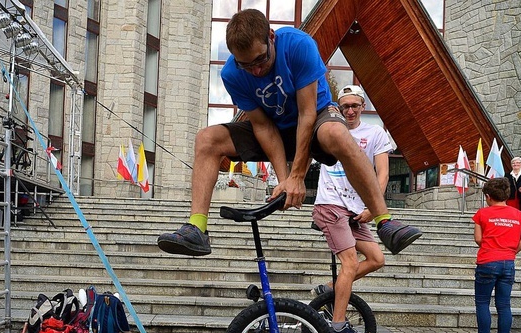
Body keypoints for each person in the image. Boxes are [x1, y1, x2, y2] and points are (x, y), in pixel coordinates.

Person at [157, 9, 421, 257]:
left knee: (339, 135)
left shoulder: (297, 45)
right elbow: (262, 126)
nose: (256, 71)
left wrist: (297, 177)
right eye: (246, 65)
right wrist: (284, 181)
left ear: (271, 37)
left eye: (261, 60)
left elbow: (307, 114)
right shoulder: (232, 74)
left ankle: (384, 221)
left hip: (316, 119)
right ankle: (197, 228)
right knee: (207, 138)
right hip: (275, 128)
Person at [310, 85, 389, 333]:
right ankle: (338, 325)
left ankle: (331, 290)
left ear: (362, 107)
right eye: (346, 106)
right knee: (350, 262)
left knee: (377, 259)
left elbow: (382, 174)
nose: (351, 110)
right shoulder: (329, 130)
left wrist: (374, 207)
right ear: (340, 109)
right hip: (331, 204)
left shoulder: (375, 133)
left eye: (355, 105)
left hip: (356, 209)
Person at [460, 178, 521, 333]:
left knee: (483, 303)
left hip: (487, 261)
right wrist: (512, 250)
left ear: (487, 196)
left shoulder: (482, 213)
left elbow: (478, 238)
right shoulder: (518, 214)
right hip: (508, 262)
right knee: (504, 304)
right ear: (507, 195)